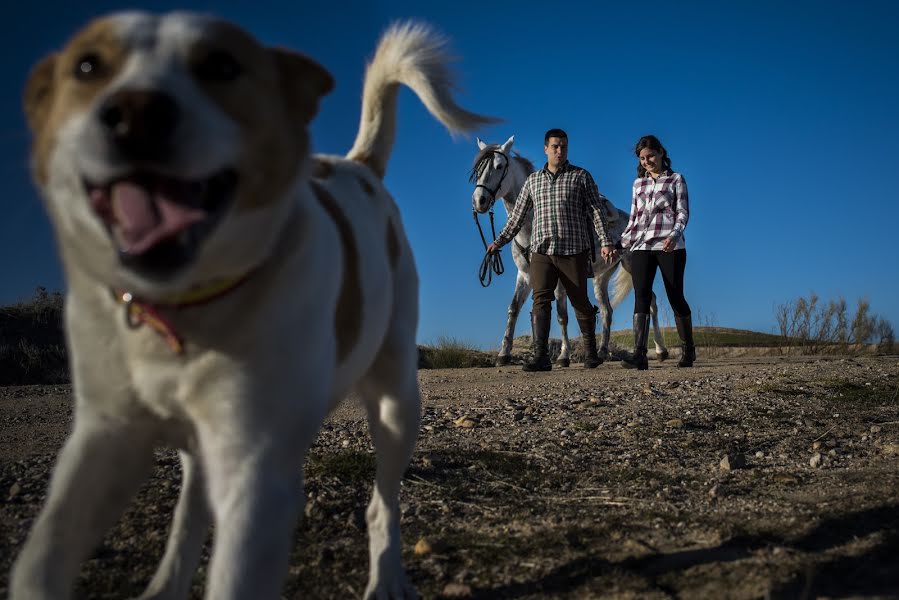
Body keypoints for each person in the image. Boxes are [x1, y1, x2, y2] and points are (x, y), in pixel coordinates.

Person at [487, 129, 617, 371]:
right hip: (541, 252)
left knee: (580, 301)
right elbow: (516, 218)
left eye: (564, 146)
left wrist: (606, 241)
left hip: (573, 249)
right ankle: (541, 356)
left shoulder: (581, 176)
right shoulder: (533, 181)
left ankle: (591, 353)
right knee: (540, 301)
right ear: (545, 148)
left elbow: (597, 211)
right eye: (555, 146)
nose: (560, 150)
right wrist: (499, 242)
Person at [620, 135, 694, 370]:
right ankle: (639, 354)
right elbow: (633, 220)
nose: (647, 161)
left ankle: (688, 349)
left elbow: (682, 213)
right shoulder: (637, 184)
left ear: (661, 152)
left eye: (650, 155)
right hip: (642, 246)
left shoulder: (676, 179)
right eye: (642, 158)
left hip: (669, 246)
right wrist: (620, 245)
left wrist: (673, 236)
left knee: (675, 296)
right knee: (641, 295)